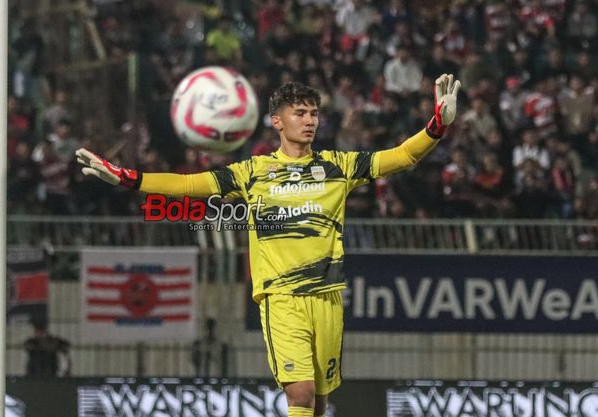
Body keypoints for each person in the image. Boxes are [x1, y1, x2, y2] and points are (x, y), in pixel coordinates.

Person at [75, 74, 460, 417]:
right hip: (281, 297)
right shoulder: (253, 172)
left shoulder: (337, 166)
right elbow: (189, 186)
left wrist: (437, 124)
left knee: (321, 400)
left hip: (327, 297)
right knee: (302, 392)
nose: (310, 120)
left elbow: (403, 156)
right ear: (277, 121)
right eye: (300, 113)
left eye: (313, 113)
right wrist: (127, 178)